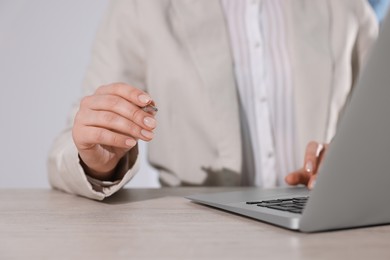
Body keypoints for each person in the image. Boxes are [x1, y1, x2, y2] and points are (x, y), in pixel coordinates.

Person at [48, 0, 378, 200]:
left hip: (319, 231)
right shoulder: (142, 8)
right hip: (198, 235)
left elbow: (381, 132)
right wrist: (97, 159)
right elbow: (67, 149)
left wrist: (357, 161)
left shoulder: (347, 7)